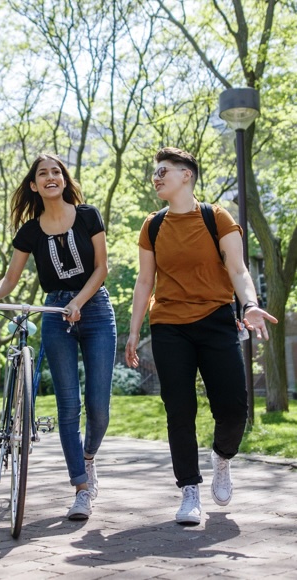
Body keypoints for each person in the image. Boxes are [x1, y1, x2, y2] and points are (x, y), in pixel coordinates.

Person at [125, 147, 278, 525]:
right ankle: (189, 490)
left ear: (186, 175)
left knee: (233, 408)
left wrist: (250, 305)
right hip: (169, 326)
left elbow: (239, 269)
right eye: (154, 173)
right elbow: (145, 281)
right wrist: (133, 330)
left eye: (163, 171)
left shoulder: (216, 218)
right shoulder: (153, 225)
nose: (156, 177)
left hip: (215, 319)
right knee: (179, 409)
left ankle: (222, 458)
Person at [0, 153, 117, 520]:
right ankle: (81, 488)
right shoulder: (30, 232)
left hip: (95, 308)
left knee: (98, 407)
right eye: (42, 174)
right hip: (54, 314)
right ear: (34, 185)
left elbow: (102, 269)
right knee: (68, 407)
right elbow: (11, 278)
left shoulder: (88, 216)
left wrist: (79, 301)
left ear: (64, 180)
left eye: (56, 172)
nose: (51, 177)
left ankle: (88, 458)